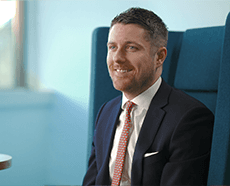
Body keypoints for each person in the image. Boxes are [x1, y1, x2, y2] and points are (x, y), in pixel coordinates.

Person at [82, 7, 214, 185]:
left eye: (131, 47)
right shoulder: (106, 112)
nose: (117, 58)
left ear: (159, 57)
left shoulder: (190, 119)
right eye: (112, 47)